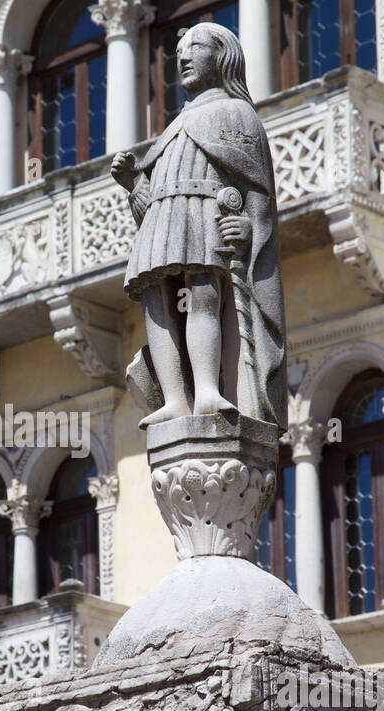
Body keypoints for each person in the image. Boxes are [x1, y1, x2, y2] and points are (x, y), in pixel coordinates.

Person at [111, 22, 285, 430]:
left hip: (205, 218)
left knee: (202, 298)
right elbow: (147, 206)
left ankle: (207, 387)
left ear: (222, 55)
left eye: (196, 47)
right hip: (163, 224)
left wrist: (249, 228)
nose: (184, 57)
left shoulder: (237, 114)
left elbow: (258, 193)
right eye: (179, 52)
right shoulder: (171, 129)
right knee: (157, 302)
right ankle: (174, 398)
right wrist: (135, 184)